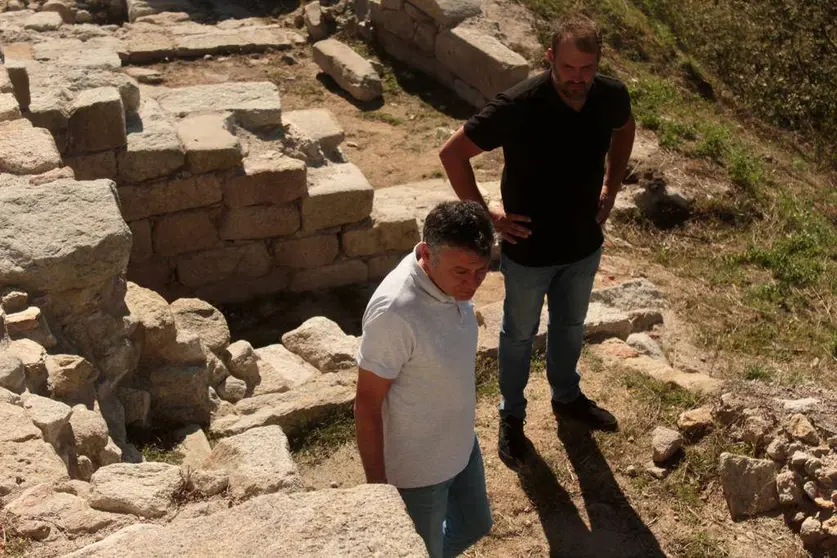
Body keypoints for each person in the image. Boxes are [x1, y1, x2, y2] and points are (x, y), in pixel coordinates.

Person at [438, 14, 636, 468]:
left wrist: (612, 186)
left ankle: (567, 396)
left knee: (570, 328)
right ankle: (511, 417)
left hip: (584, 245)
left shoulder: (610, 95)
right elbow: (452, 154)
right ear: (550, 59)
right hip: (529, 252)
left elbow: (624, 130)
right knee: (519, 336)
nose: (577, 79)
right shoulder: (519, 103)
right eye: (568, 68)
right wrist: (488, 218)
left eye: (586, 69)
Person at [354, 200, 495, 558]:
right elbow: (367, 403)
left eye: (482, 270)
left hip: (462, 444)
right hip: (418, 472)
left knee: (477, 524)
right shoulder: (395, 312)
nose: (473, 283)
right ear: (426, 254)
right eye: (462, 272)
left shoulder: (452, 282)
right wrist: (378, 493)